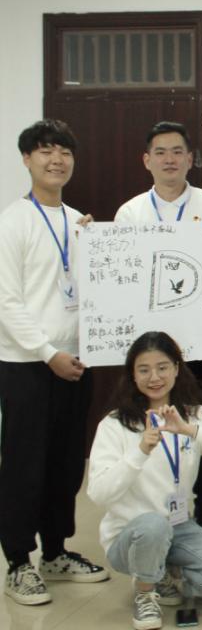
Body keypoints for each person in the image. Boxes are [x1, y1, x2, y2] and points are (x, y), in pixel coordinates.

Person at [0, 119, 109, 605]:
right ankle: (18, 562)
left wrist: (97, 244)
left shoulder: (80, 223)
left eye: (64, 151)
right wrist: (48, 354)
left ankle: (56, 552)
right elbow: (6, 302)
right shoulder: (13, 221)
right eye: (45, 151)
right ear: (27, 159)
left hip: (77, 363)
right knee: (25, 464)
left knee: (66, 464)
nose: (56, 159)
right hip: (28, 363)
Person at [87, 332, 202, 630]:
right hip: (130, 533)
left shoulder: (190, 415)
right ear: (132, 375)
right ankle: (145, 592)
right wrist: (139, 452)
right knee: (153, 525)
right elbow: (98, 493)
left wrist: (190, 431)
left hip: (178, 527)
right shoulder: (115, 423)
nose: (154, 377)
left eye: (162, 367)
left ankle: (166, 573)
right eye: (144, 370)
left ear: (176, 369)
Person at [115, 120, 202, 536]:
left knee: (201, 422)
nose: (169, 159)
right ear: (147, 160)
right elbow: (122, 279)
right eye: (160, 152)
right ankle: (154, 510)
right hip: (152, 348)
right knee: (150, 422)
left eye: (177, 151)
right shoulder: (130, 213)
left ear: (190, 159)